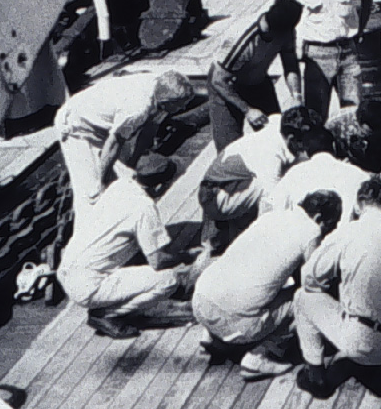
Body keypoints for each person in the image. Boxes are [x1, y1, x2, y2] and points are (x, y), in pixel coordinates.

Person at [294, 178, 381, 397]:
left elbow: (309, 278)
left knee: (302, 297)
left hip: (365, 346)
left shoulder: (347, 233)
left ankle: (316, 380)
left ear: (356, 206)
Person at [192, 189, 342, 381]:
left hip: (201, 302)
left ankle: (213, 336)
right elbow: (313, 281)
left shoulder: (272, 216)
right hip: (236, 322)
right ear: (319, 217)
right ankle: (262, 356)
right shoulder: (311, 231)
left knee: (248, 275)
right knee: (304, 299)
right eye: (329, 225)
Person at [57, 153, 188, 339]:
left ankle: (110, 300)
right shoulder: (144, 207)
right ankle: (106, 314)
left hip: (67, 271)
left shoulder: (119, 186)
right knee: (169, 279)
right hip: (88, 286)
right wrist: (185, 256)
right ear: (159, 187)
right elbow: (157, 260)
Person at [195, 105, 324, 256]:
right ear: (291, 138)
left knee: (290, 171)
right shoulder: (268, 156)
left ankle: (239, 223)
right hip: (215, 197)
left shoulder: (279, 122)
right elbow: (273, 204)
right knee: (275, 189)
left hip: (235, 183)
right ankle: (255, 244)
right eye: (305, 143)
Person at [55, 70, 194, 206]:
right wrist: (102, 182)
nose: (182, 109)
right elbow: (114, 144)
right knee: (92, 192)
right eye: (180, 105)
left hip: (105, 123)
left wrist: (132, 164)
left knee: (126, 178)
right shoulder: (137, 108)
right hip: (77, 123)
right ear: (167, 101)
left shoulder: (161, 91)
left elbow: (147, 133)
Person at [283, 0, 372, 122]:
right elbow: (282, 17)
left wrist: (361, 30)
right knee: (316, 115)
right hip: (317, 55)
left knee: (354, 114)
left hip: (348, 52)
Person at [207, 0, 303, 150]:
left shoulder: (286, 30)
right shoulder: (242, 40)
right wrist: (248, 110)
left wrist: (296, 95)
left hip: (257, 81)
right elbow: (218, 80)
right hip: (227, 86)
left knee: (277, 137)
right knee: (230, 149)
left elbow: (290, 64)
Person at [268, 128, 373, 217]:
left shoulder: (295, 174)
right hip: (346, 235)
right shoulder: (357, 174)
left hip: (303, 236)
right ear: (334, 146)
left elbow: (273, 205)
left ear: (306, 151)